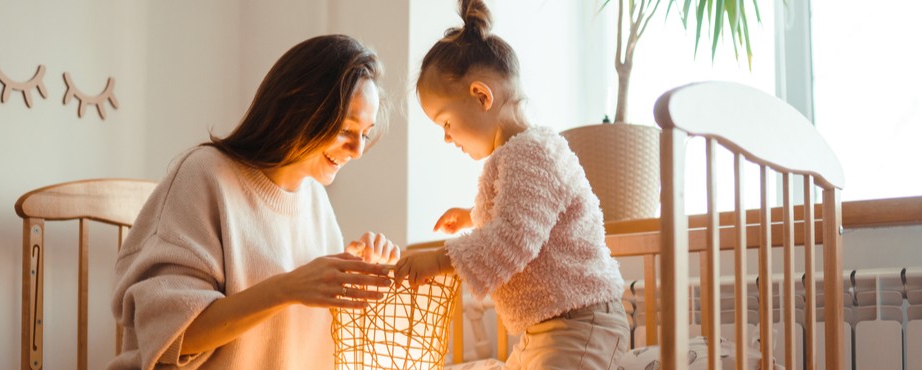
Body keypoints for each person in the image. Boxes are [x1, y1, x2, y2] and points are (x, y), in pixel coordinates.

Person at [109, 34, 401, 370]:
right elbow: (171, 337)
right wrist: (289, 287)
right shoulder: (205, 176)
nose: (358, 150)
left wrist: (351, 271)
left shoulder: (315, 200)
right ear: (301, 109)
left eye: (365, 134)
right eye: (346, 130)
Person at [392, 1, 630, 368]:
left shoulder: (531, 152)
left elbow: (516, 238)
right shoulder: (520, 154)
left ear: (481, 96)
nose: (447, 138)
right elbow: (525, 214)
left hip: (582, 324)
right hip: (551, 326)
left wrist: (440, 259)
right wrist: (473, 217)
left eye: (446, 123)